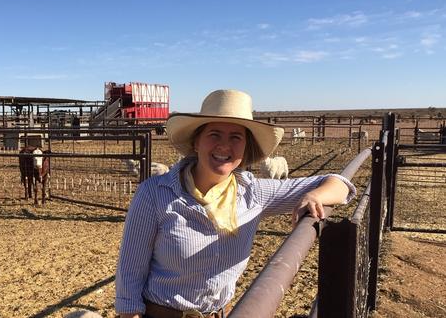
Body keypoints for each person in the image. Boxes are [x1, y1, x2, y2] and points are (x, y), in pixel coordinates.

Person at [115, 89, 356, 318]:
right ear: (196, 142)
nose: (224, 145)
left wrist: (315, 196)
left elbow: (339, 184)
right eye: (214, 135)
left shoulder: (253, 193)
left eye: (236, 137)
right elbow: (130, 277)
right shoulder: (156, 194)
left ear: (245, 147)